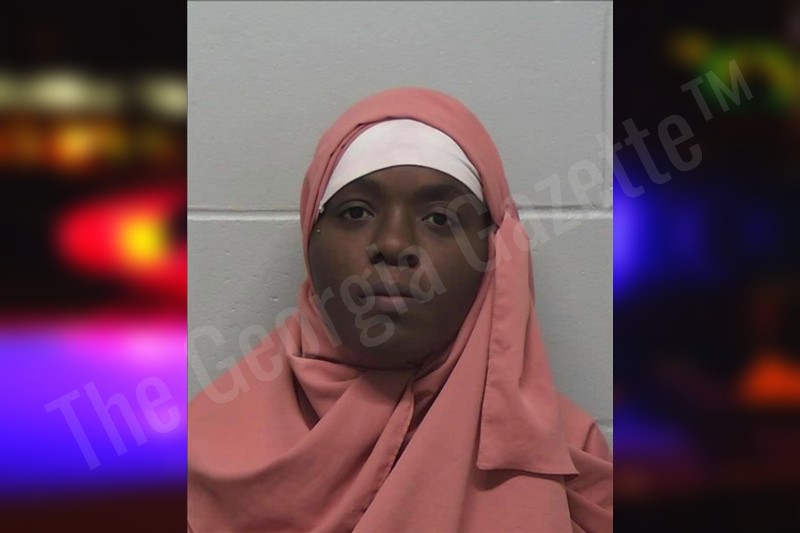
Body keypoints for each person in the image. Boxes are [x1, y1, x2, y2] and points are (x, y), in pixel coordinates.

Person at [188, 87, 613, 532]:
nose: (392, 243)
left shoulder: (571, 460)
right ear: (311, 238)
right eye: (356, 213)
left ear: (492, 253)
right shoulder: (203, 452)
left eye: (440, 219)